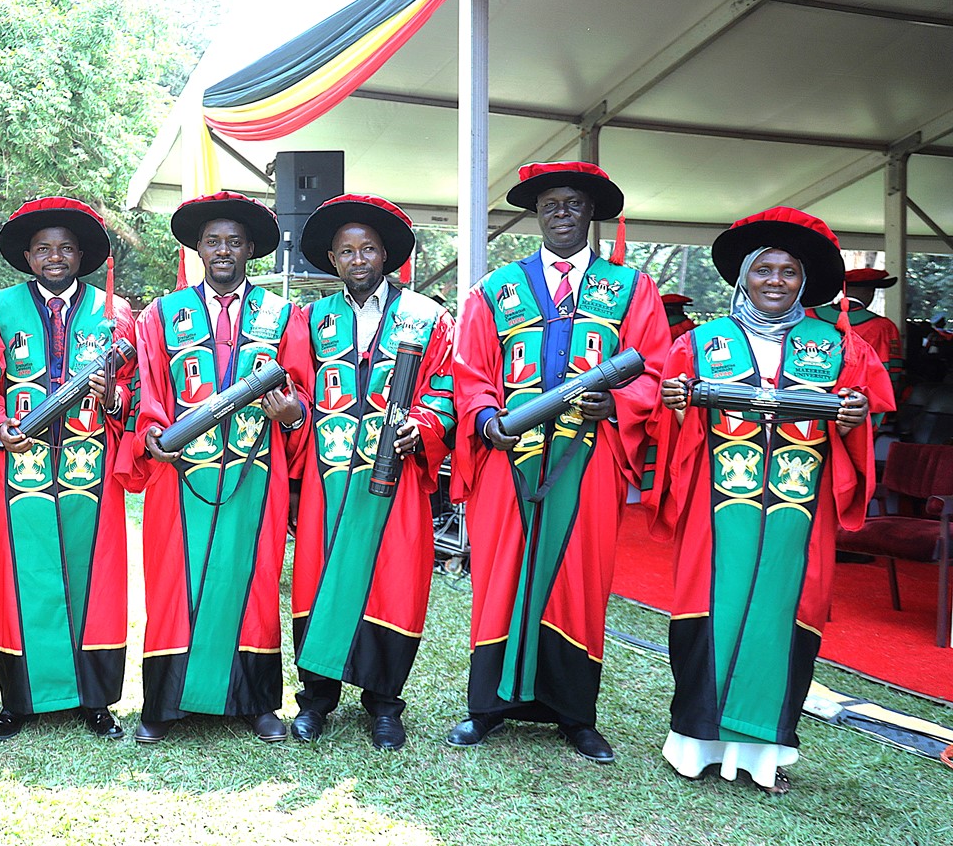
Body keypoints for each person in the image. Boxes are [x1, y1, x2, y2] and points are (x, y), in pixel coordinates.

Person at [653, 207, 891, 795]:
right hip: (718, 506)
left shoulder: (836, 346)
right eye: (765, 269)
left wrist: (854, 417)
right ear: (744, 277)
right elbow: (667, 421)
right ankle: (694, 744)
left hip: (799, 513)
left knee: (784, 613)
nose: (776, 280)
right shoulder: (703, 343)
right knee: (712, 607)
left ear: (803, 282)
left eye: (788, 271)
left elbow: (861, 415)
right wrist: (678, 404)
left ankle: (763, 754)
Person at [448, 162, 668, 762]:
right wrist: (486, 416)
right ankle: (488, 708)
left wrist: (616, 402)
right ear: (537, 213)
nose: (562, 213)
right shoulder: (496, 289)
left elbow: (651, 366)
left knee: (580, 575)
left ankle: (575, 714)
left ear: (590, 211)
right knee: (501, 573)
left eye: (573, 203)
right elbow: (469, 370)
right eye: (551, 203)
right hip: (508, 458)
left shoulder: (631, 288)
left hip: (589, 455)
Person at [121, 191, 311, 744]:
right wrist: (154, 430)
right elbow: (148, 387)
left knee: (250, 579)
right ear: (198, 249)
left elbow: (301, 386)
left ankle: (255, 703)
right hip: (182, 475)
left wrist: (293, 411)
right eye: (213, 241)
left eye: (234, 241)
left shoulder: (284, 315)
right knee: (173, 582)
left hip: (257, 471)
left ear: (250, 248)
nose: (223, 250)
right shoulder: (162, 313)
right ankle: (163, 704)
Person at [288, 195, 456, 750]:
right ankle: (315, 700)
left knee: (393, 582)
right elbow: (297, 389)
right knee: (321, 575)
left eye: (367, 249)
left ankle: (384, 703)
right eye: (345, 251)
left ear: (386, 254)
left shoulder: (428, 316)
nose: (357, 258)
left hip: (395, 475)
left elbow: (446, 387)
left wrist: (427, 424)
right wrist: (293, 414)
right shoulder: (311, 319)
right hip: (329, 475)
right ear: (332, 260)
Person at [0, 198, 136, 741]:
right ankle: (19, 702)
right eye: (43, 248)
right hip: (20, 467)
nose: (55, 257)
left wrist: (113, 398)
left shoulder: (115, 312)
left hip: (90, 467)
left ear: (83, 255)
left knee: (92, 580)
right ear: (27, 255)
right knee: (20, 579)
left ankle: (95, 701)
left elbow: (133, 397)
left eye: (66, 248)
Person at [809, 267, 904, 401]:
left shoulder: (809, 316)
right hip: (859, 400)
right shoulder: (883, 327)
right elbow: (891, 372)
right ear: (870, 292)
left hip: (811, 395)